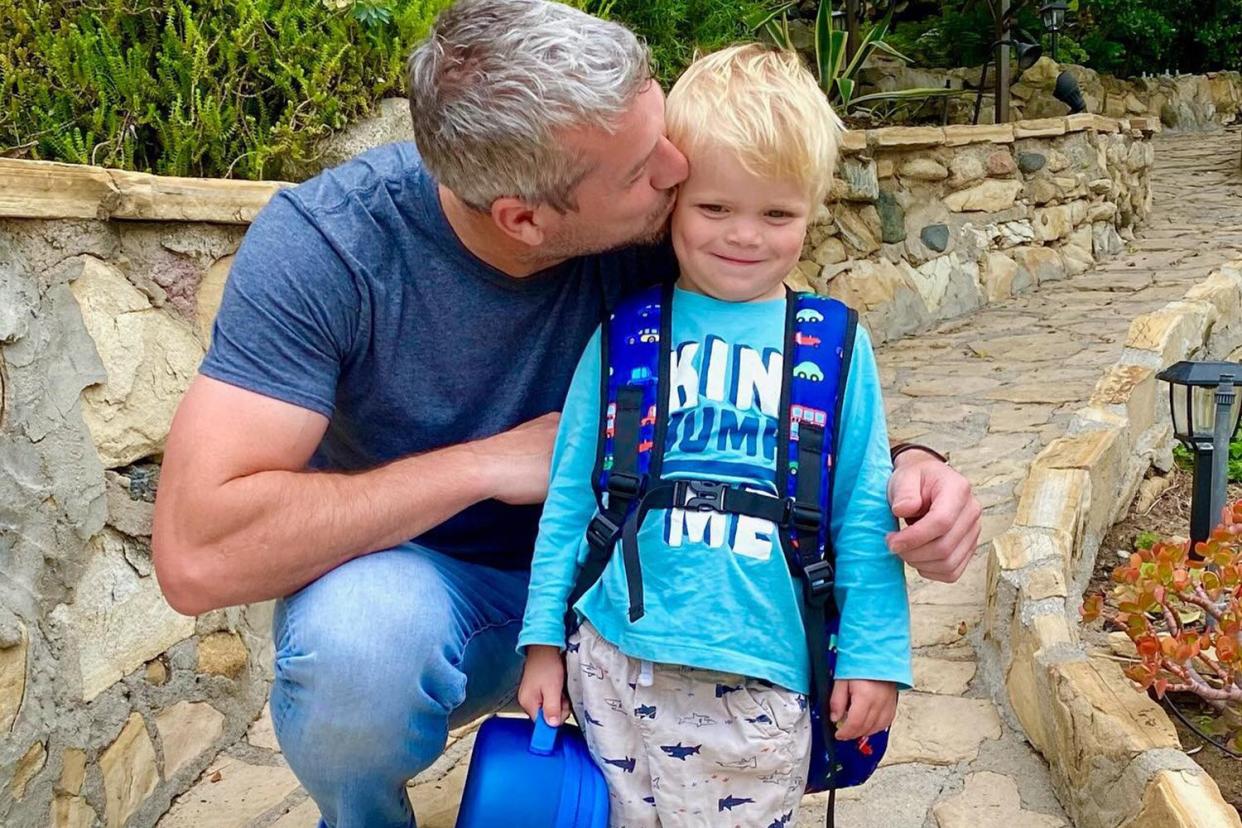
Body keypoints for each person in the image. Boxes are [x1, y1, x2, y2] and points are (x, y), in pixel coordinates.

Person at [151, 1, 979, 825]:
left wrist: (912, 467)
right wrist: (480, 465)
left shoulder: (685, 216)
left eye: (662, 133)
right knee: (357, 646)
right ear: (526, 218)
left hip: (643, 600)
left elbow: (782, 384)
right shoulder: (330, 249)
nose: (675, 168)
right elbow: (197, 555)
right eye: (641, 168)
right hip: (437, 593)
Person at [515, 44, 910, 827]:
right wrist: (541, 643)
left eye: (777, 214)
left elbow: (863, 509)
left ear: (813, 210)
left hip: (764, 670)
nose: (745, 236)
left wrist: (874, 655)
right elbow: (569, 496)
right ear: (673, 202)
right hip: (616, 658)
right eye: (715, 208)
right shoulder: (628, 333)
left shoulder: (831, 345)